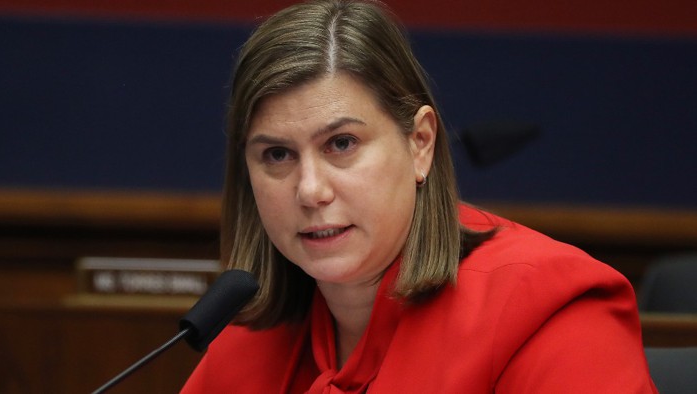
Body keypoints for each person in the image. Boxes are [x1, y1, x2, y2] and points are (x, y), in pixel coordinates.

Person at [181, 0, 657, 392]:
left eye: (341, 144)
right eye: (278, 155)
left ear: (420, 143)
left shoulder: (545, 311)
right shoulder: (245, 340)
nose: (310, 190)